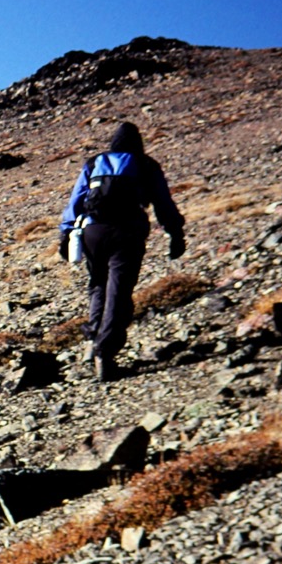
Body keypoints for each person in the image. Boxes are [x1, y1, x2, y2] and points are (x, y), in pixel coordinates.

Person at [59, 121, 186, 382]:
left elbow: (76, 200)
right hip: (127, 231)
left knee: (98, 285)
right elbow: (163, 202)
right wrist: (175, 232)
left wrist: (65, 232)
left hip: (93, 232)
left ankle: (94, 338)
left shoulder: (95, 162)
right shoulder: (146, 164)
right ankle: (104, 353)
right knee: (118, 290)